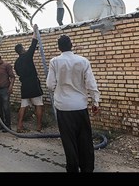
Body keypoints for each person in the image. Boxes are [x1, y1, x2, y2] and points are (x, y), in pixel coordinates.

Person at [46, 34, 100, 172]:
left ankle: (73, 168)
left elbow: (50, 85)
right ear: (72, 45)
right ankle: (87, 168)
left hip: (63, 108)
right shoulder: (83, 61)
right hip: (80, 107)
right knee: (85, 140)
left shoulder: (54, 62)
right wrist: (96, 101)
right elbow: (91, 84)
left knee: (69, 141)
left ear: (59, 48)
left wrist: (60, 86)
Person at [14, 24, 44, 133]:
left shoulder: (16, 63)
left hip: (25, 86)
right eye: (24, 48)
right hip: (33, 85)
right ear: (22, 49)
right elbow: (34, 42)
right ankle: (39, 126)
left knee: (23, 106)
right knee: (39, 105)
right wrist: (35, 30)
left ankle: (19, 126)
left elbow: (18, 74)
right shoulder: (27, 56)